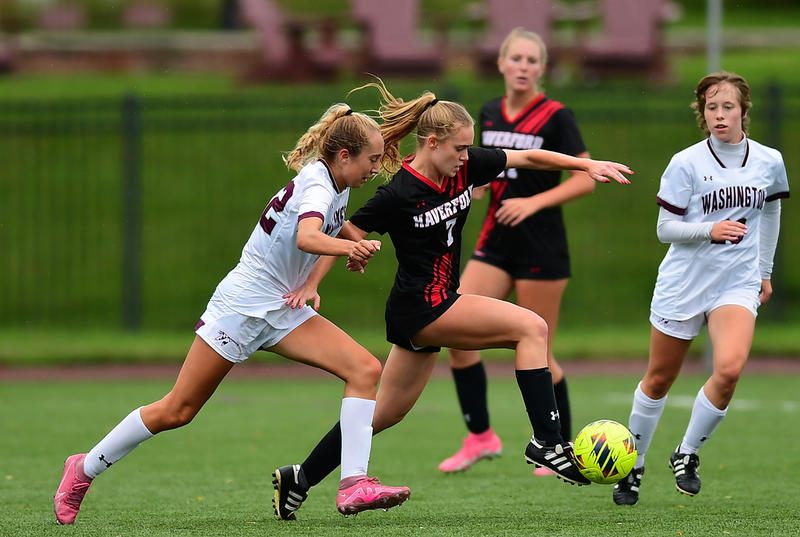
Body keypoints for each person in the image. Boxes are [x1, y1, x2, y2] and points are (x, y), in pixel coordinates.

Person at [272, 80, 633, 519]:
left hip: (434, 305)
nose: (467, 156)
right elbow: (345, 230)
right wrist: (315, 280)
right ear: (432, 142)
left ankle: (300, 477)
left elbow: (531, 157)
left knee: (379, 416)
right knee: (531, 328)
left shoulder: (465, 167)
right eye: (460, 148)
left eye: (469, 149)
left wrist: (583, 166)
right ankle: (548, 443)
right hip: (425, 307)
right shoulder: (399, 193)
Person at [53, 103, 411, 525]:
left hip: (283, 307)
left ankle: (354, 484)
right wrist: (349, 248)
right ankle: (83, 468)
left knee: (365, 369)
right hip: (242, 308)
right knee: (177, 410)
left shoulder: (336, 182)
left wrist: (346, 242)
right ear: (344, 156)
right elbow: (309, 235)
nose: (375, 167)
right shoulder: (317, 184)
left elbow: (332, 224)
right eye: (371, 159)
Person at [612, 72, 789, 506]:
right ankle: (632, 466)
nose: (720, 115)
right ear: (702, 113)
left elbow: (770, 214)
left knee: (728, 369)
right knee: (659, 380)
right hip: (684, 283)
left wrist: (764, 271)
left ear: (744, 110)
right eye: (711, 107)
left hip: (737, 281)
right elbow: (664, 229)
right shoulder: (687, 162)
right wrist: (709, 230)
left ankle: (686, 453)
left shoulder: (768, 159)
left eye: (728, 107)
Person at [439, 27, 596, 475]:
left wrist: (533, 201)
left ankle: (559, 445)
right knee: (453, 332)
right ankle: (480, 437)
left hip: (542, 247)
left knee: (541, 349)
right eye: (517, 59)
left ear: (542, 69)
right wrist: (480, 191)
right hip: (495, 243)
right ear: (501, 64)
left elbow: (584, 176)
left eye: (532, 60)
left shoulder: (556, 116)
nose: (524, 67)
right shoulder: (488, 113)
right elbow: (483, 169)